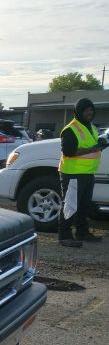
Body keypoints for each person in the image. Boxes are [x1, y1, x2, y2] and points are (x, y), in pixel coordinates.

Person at [58, 98, 105, 247]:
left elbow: (92, 146)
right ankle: (64, 236)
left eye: (91, 110)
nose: (89, 113)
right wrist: (93, 148)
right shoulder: (71, 129)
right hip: (73, 173)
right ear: (79, 112)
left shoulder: (90, 127)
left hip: (87, 173)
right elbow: (68, 151)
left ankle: (82, 233)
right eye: (86, 110)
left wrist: (101, 145)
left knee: (84, 205)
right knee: (70, 205)